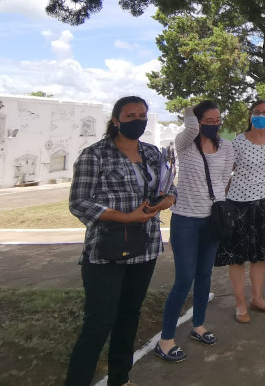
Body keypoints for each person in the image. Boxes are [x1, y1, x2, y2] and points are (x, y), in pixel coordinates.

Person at [65, 96, 176, 386]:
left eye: (142, 114)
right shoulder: (95, 154)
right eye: (130, 116)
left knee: (129, 317)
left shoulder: (153, 153)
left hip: (146, 247)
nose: (137, 120)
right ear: (116, 120)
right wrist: (125, 217)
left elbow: (170, 189)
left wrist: (162, 204)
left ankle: (120, 379)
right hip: (106, 251)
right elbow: (79, 202)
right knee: (99, 323)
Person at [156, 100, 235, 362]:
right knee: (184, 280)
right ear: (197, 121)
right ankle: (165, 340)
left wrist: (215, 208)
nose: (214, 125)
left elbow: (224, 180)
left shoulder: (226, 147)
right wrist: (190, 108)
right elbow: (190, 126)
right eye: (208, 120)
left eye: (217, 120)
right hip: (185, 221)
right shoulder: (185, 144)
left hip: (211, 221)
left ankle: (198, 325)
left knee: (204, 276)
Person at [215, 99, 265, 323]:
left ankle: (257, 298)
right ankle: (240, 303)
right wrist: (219, 203)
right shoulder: (238, 143)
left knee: (259, 256)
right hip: (239, 204)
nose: (261, 115)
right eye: (257, 112)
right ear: (250, 115)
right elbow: (226, 174)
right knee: (237, 258)